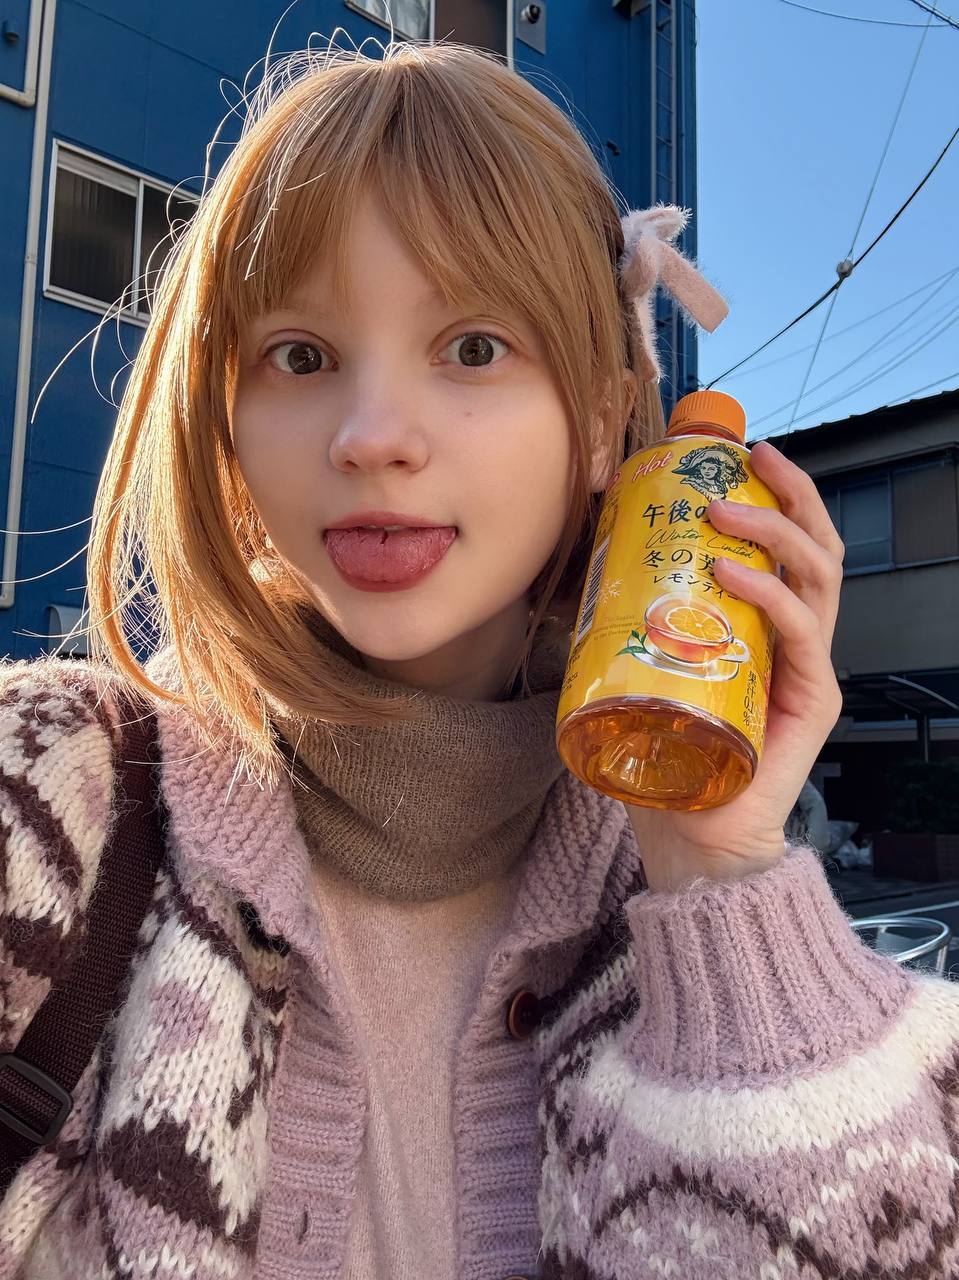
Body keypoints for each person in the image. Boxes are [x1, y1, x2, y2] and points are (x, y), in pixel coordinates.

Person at [0, 38, 956, 1280]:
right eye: (299, 355)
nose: (372, 436)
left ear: (606, 422)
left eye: (471, 347)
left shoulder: (684, 918)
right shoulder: (54, 787)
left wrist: (716, 878)